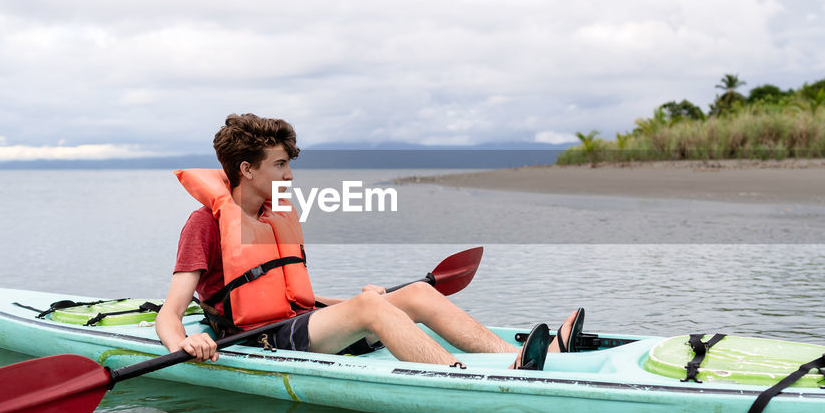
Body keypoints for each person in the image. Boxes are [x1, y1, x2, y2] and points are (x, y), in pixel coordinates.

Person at [155, 113, 580, 368]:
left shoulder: (271, 216)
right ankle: (460, 376)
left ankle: (514, 358)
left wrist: (352, 305)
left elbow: (291, 296)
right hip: (259, 338)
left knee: (414, 293)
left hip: (298, 325)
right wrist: (184, 342)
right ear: (246, 169)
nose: (289, 176)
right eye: (280, 164)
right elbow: (168, 316)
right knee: (372, 305)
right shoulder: (205, 225)